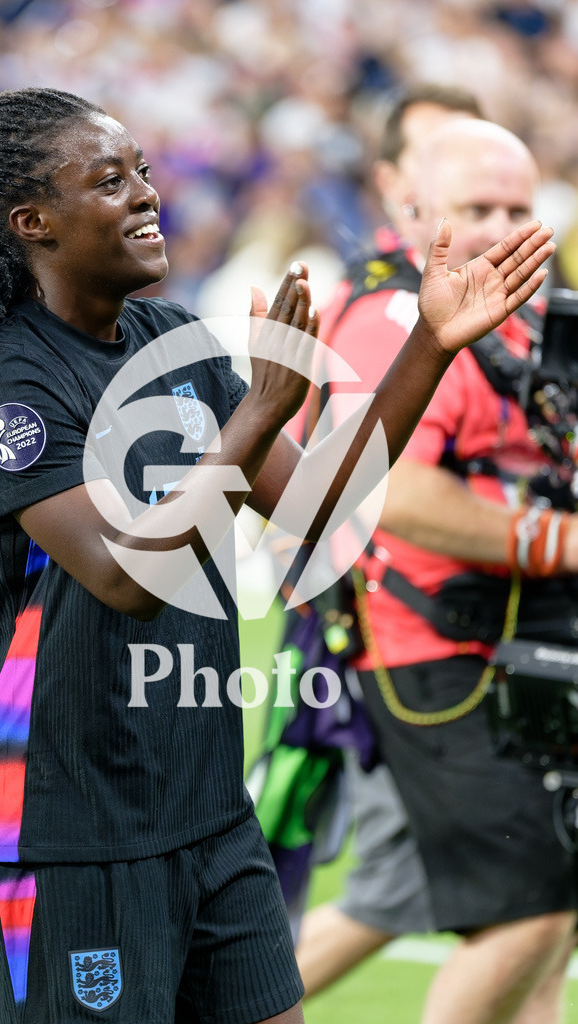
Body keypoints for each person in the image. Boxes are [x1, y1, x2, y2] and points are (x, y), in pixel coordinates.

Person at [0, 86, 553, 1024]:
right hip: (65, 828)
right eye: (109, 180)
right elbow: (126, 574)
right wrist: (256, 409)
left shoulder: (172, 342)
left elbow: (316, 499)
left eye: (141, 171)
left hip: (204, 809)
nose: (144, 194)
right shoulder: (3, 384)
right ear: (33, 222)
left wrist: (427, 343)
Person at [307, 115, 578, 1024]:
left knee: (541, 921)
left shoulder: (535, 306)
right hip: (430, 648)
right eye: (476, 206)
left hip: (514, 644)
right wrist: (556, 542)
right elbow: (391, 493)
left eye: (516, 204)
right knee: (527, 908)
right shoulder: (394, 315)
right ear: (411, 202)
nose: (502, 224)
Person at [291, 83, 485, 998]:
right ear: (396, 182)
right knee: (394, 888)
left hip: (456, 640)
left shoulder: (494, 296)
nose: (475, 190)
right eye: (449, 166)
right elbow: (372, 490)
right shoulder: (385, 306)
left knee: (522, 904)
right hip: (388, 642)